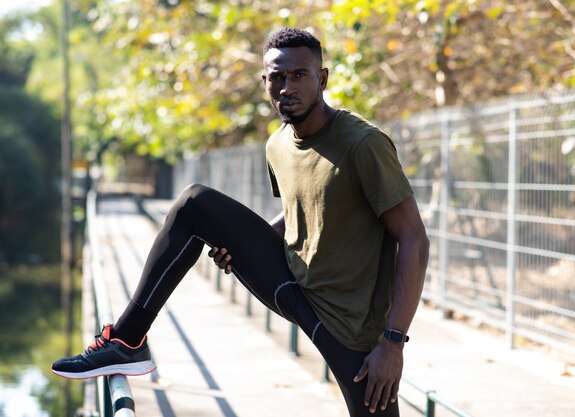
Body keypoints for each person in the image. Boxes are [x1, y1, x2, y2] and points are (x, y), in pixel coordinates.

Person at [51, 27, 430, 416]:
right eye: (276, 78)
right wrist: (247, 247)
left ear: (323, 78)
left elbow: (414, 239)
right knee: (193, 205)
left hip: (349, 325)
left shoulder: (363, 143)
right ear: (264, 81)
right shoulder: (277, 144)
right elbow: (303, 208)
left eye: (299, 75)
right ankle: (127, 341)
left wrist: (393, 342)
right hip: (294, 286)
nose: (286, 87)